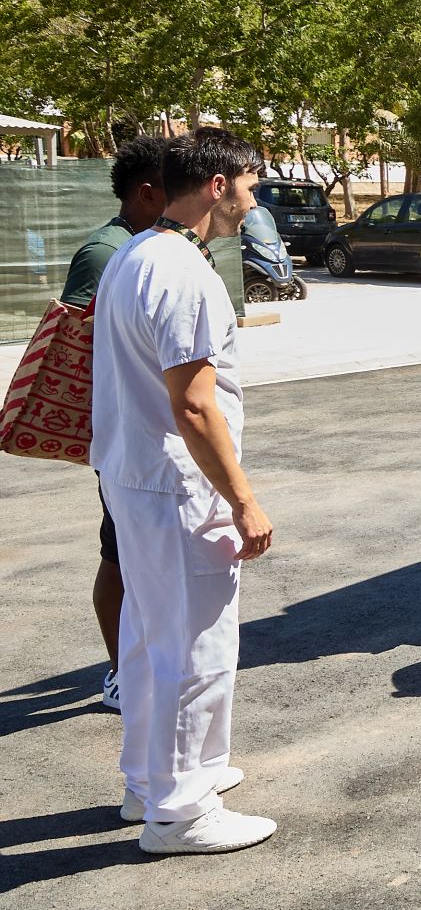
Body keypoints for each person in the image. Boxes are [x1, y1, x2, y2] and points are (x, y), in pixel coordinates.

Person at [91, 128, 278, 854]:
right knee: (195, 647)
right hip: (178, 485)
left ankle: (151, 782)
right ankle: (182, 812)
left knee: (147, 638)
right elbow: (194, 404)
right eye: (252, 187)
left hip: (137, 477)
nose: (253, 202)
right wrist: (244, 499)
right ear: (218, 185)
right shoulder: (183, 270)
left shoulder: (134, 255)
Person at [60, 136, 171, 712]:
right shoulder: (107, 253)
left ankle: (145, 663)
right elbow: (76, 347)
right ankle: (120, 674)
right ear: (148, 192)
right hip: (124, 436)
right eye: (173, 185)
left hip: (152, 434)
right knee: (121, 555)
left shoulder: (158, 244)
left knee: (143, 556)